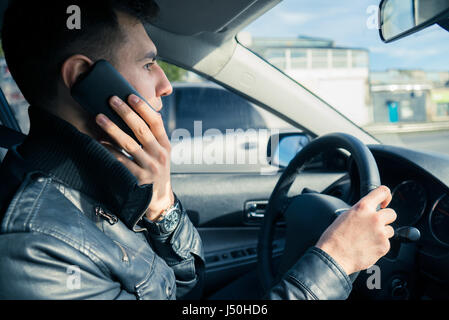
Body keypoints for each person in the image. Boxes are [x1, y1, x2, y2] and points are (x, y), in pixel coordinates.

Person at [0, 0, 396, 300]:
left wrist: (161, 204)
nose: (165, 84)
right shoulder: (35, 245)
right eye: (150, 63)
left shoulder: (106, 179)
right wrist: (335, 261)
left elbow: (186, 289)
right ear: (84, 78)